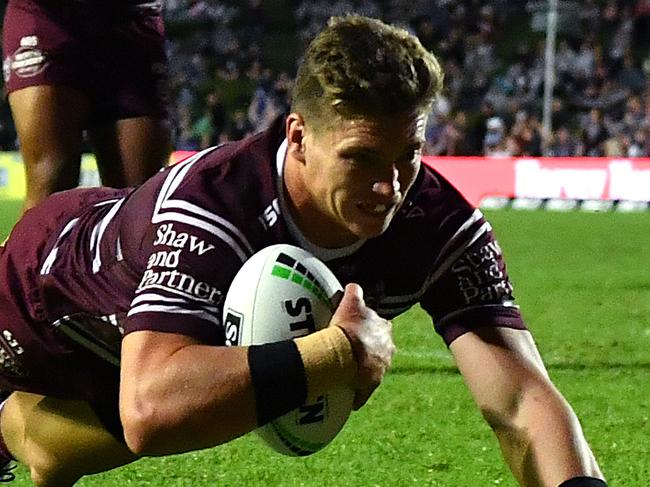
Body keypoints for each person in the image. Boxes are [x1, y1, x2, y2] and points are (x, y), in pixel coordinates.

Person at [0, 15, 607, 487]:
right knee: (147, 410)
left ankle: (40, 440)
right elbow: (151, 407)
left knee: (101, 434)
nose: (389, 187)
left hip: (151, 350)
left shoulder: (440, 223)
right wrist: (337, 352)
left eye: (408, 155)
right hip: (39, 297)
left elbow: (522, 398)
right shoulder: (219, 200)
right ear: (298, 136)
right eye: (361, 158)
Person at [1, 0, 172, 212]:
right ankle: (33, 246)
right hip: (48, 16)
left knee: (138, 199)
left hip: (133, 21)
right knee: (52, 187)